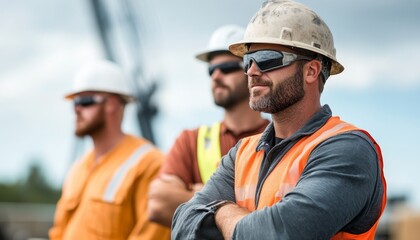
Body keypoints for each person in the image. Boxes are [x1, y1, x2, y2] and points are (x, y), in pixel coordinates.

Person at [171, 1, 387, 239]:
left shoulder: (348, 150)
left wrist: (222, 211)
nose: (251, 72)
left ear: (311, 71)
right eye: (247, 61)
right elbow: (183, 224)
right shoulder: (243, 152)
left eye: (266, 59)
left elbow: (279, 234)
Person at [147, 25, 270, 227]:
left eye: (227, 68)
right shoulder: (191, 140)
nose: (216, 76)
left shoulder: (279, 138)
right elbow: (159, 204)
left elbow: (282, 214)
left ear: (253, 70)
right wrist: (237, 206)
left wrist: (196, 195)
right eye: (211, 70)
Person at [49, 60, 170, 240]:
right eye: (74, 102)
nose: (76, 109)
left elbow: (151, 235)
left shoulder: (149, 163)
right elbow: (58, 232)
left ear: (112, 104)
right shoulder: (78, 169)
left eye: (85, 101)